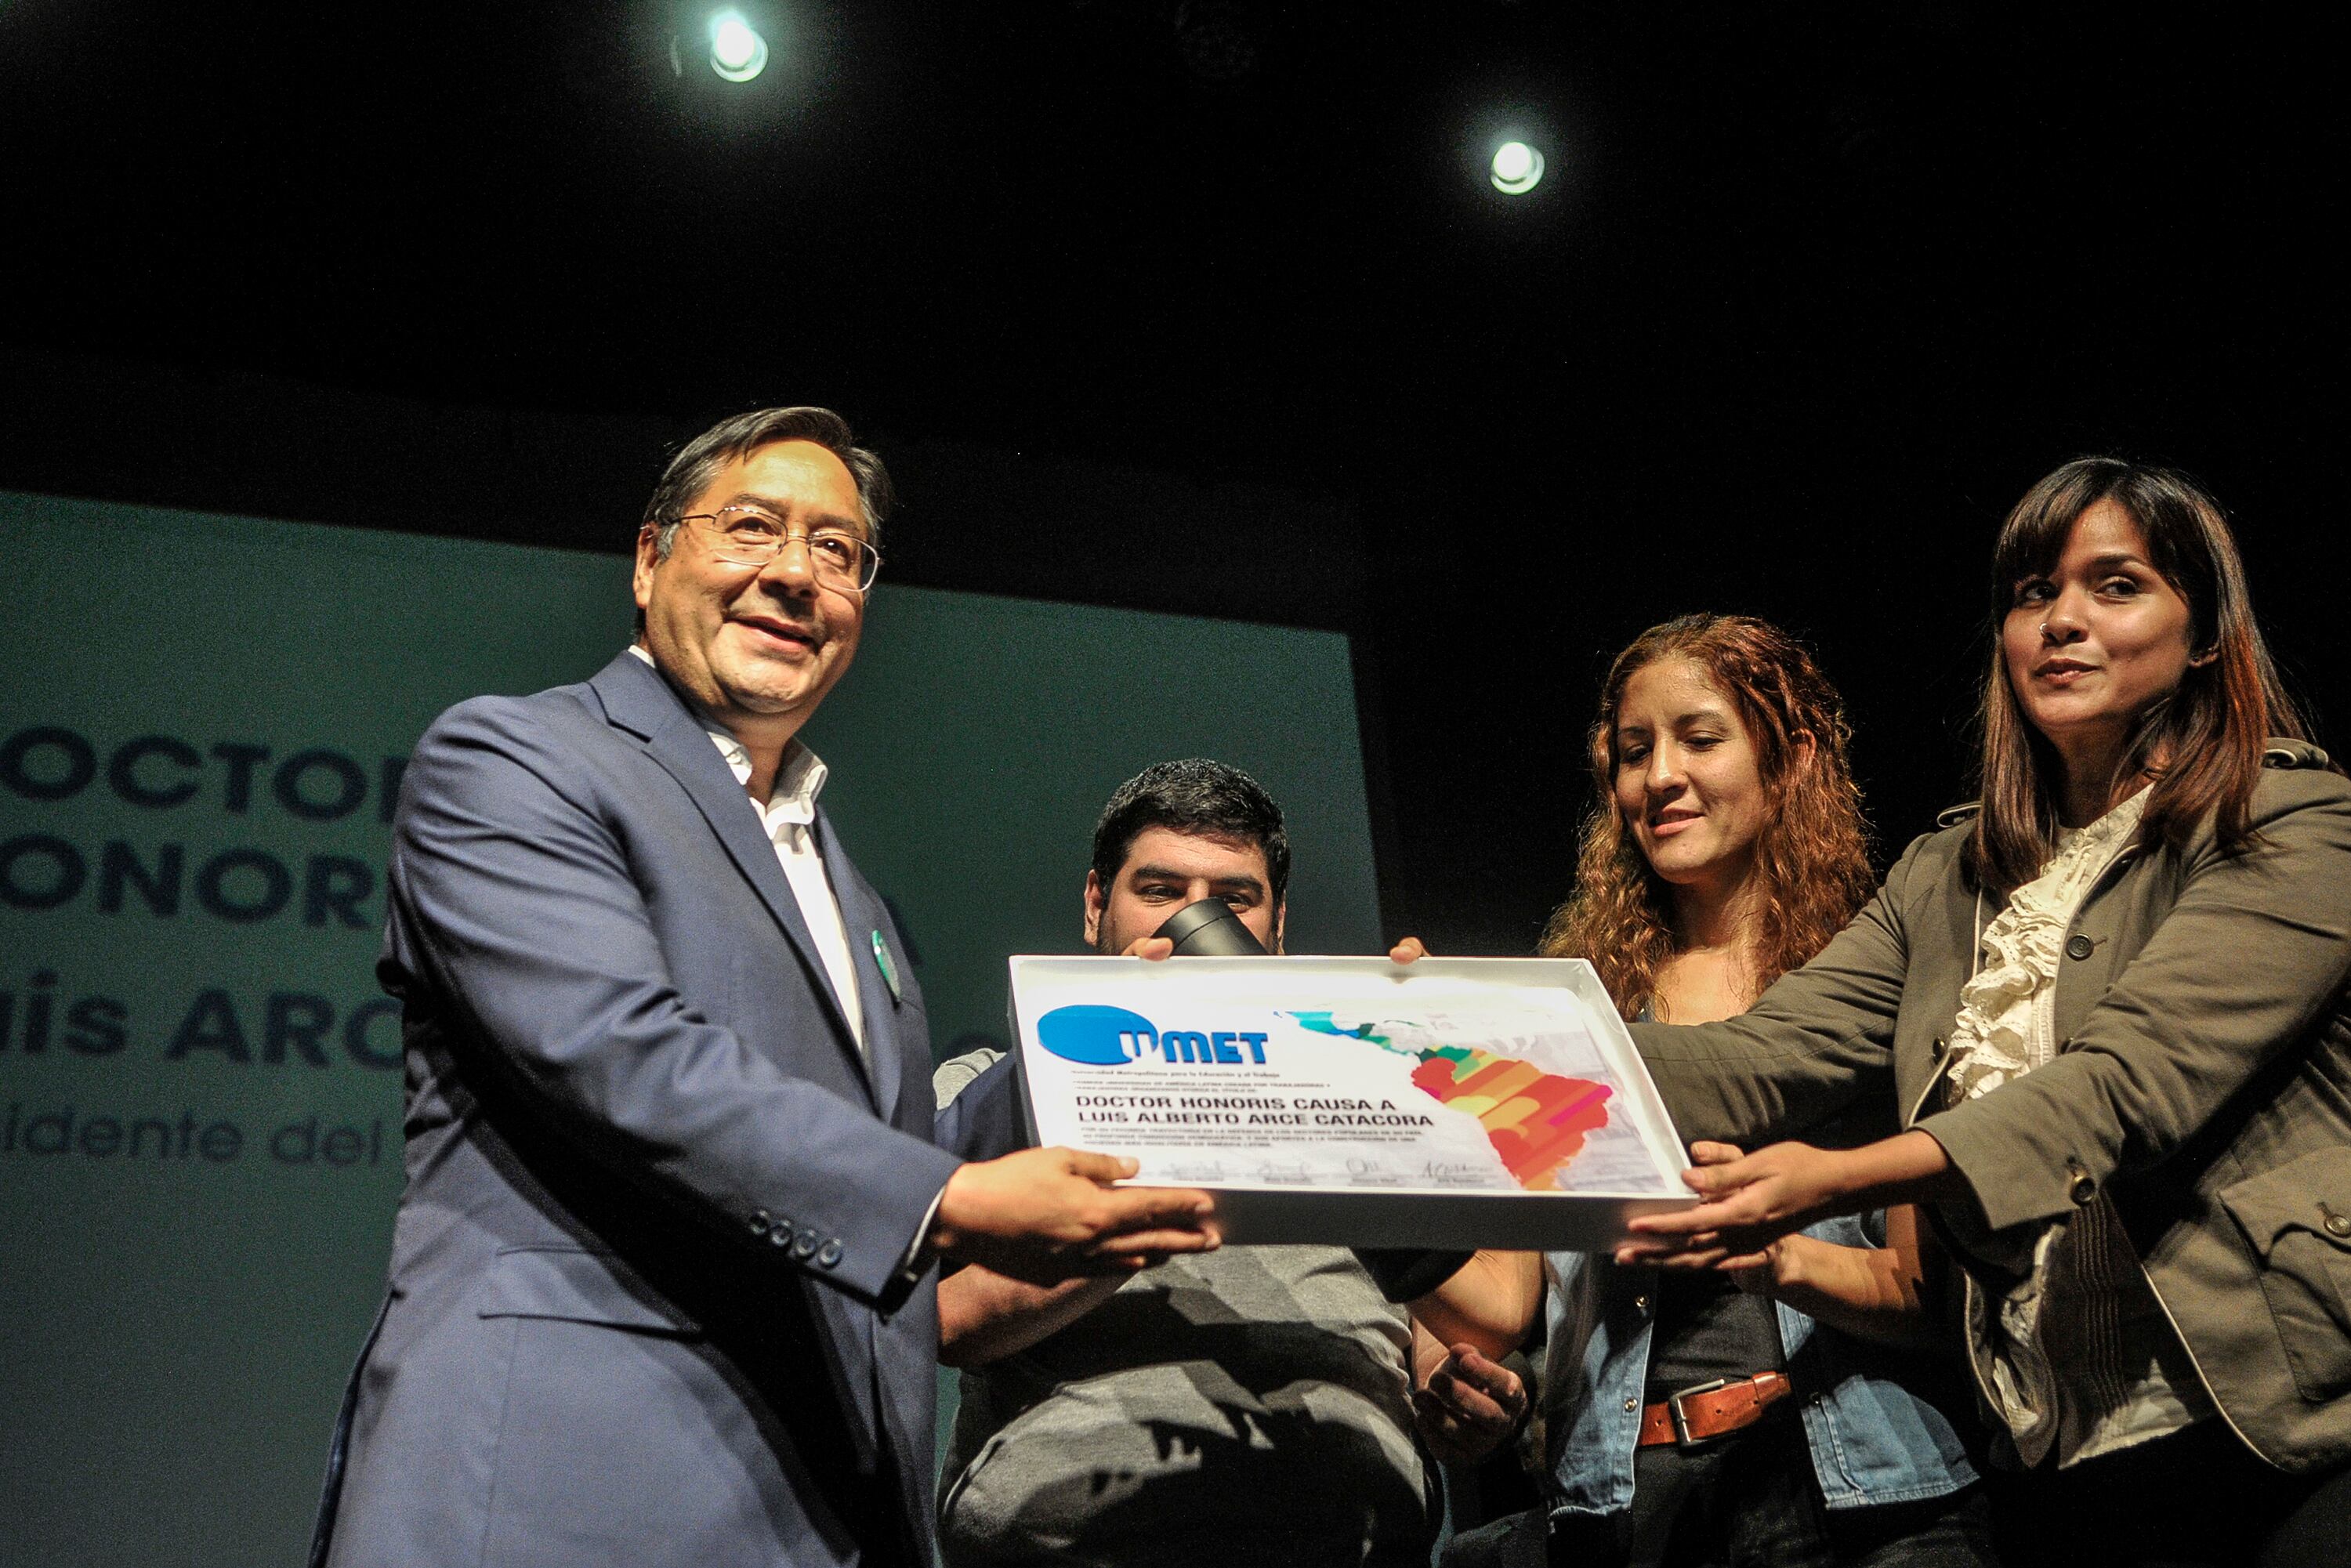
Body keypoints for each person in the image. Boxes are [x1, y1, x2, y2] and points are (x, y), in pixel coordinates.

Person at [308, 407, 1218, 1568]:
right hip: (567, 1479)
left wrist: (1130, 1041)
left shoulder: (850, 891)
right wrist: (954, 1200)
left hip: (814, 1502)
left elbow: (881, 1144)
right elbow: (620, 1053)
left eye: (838, 551)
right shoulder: (517, 759)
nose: (795, 574)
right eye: (753, 528)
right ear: (649, 561)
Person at [1622, 459, 2351, 1566]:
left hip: (2288, 1431)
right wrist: (1459, 1029)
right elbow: (1761, 1055)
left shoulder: (2294, 821)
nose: (2061, 621)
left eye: (2116, 586)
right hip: (2060, 1451)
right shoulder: (1947, 878)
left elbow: (2124, 1085)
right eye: (2031, 594)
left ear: (2203, 632)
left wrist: (1834, 1175)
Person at [1415, 615, 1991, 1567]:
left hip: (1870, 1503)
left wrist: (1777, 1255)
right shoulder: (1575, 1007)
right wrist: (1438, 1349)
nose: (1661, 777)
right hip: (1629, 1510)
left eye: (1701, 738)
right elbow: (1502, 1299)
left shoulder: (1881, 986)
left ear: (1793, 756)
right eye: (1634, 752)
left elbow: (1932, 1297)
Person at [931, 759, 1440, 1568]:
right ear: (1097, 904)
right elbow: (944, 1317)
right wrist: (1175, 1190)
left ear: (1276, 930)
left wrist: (1433, 1052)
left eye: (1234, 901)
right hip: (1075, 1532)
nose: (1190, 927)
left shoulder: (1343, 1086)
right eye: (1160, 892)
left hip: (1348, 1534)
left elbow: (1470, 1313)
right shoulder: (992, 1092)